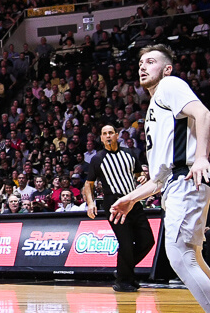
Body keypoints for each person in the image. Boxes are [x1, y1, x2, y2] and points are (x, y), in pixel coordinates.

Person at [110, 45, 210, 310]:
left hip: (186, 179)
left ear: (166, 69)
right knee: (194, 259)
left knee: (180, 256)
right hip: (174, 184)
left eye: (150, 62)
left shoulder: (169, 85)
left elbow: (203, 113)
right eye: (141, 62)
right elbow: (157, 180)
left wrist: (202, 157)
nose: (142, 66)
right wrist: (130, 198)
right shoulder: (155, 106)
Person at [83, 124, 154, 292]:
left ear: (116, 135)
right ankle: (123, 281)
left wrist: (143, 177)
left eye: (110, 133)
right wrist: (91, 203)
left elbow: (139, 174)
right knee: (126, 243)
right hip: (113, 204)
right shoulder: (97, 158)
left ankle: (123, 273)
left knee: (147, 240)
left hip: (132, 201)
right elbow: (88, 184)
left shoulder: (129, 154)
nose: (108, 136)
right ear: (101, 138)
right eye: (104, 134)